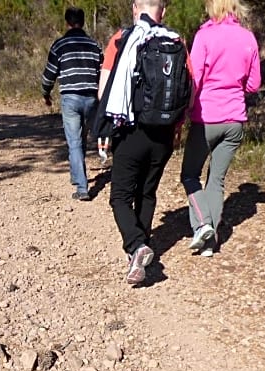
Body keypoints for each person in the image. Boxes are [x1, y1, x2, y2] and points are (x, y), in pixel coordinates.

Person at [97, 0, 190, 286]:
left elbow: (104, 90)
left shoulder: (122, 39)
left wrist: (106, 130)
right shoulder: (177, 41)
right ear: (164, 11)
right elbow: (189, 89)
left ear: (136, 8)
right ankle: (138, 253)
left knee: (120, 197)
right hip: (163, 133)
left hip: (131, 130)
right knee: (147, 194)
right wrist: (177, 127)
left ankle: (137, 247)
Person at [180, 0, 261, 257]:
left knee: (190, 175)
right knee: (216, 179)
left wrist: (184, 112)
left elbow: (195, 79)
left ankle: (203, 224)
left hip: (207, 118)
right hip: (234, 119)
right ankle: (210, 242)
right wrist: (234, 88)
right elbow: (254, 84)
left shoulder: (204, 37)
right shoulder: (248, 38)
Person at [41, 7, 103, 201]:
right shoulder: (94, 45)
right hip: (91, 98)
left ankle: (82, 188)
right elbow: (103, 72)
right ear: (83, 22)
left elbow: (49, 74)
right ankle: (77, 175)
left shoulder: (60, 45)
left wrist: (46, 93)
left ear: (67, 22)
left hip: (70, 98)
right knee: (82, 138)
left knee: (74, 141)